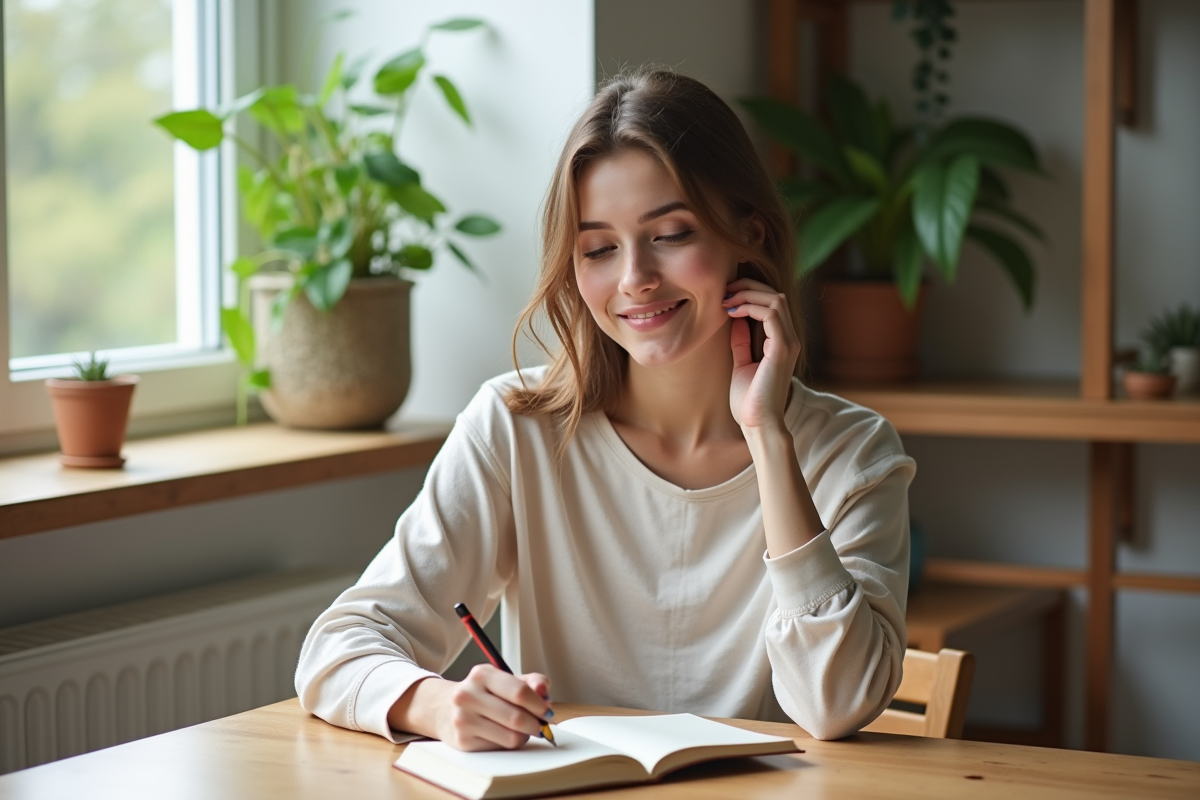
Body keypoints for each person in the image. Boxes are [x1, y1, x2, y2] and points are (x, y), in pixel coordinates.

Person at [295, 69, 913, 751]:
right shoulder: (515, 425)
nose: (634, 279)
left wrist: (768, 436)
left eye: (671, 233)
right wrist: (439, 706)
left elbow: (835, 705)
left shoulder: (853, 453)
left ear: (751, 237)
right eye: (598, 249)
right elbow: (336, 650)